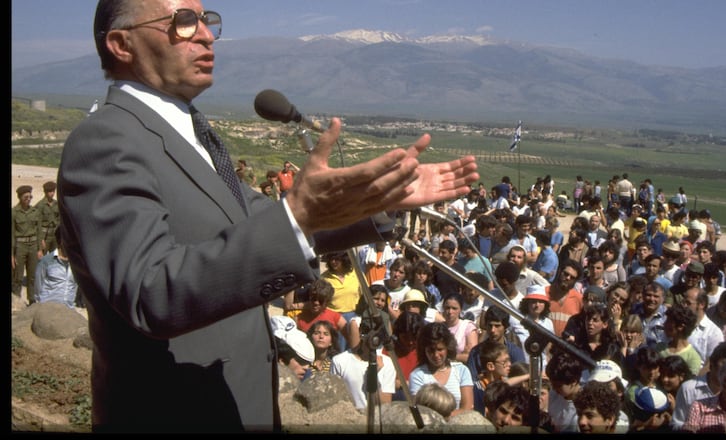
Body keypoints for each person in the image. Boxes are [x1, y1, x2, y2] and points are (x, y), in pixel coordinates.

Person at [59, 1, 478, 431]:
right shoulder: (107, 141)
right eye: (183, 22)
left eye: (206, 20)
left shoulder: (189, 133)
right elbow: (150, 291)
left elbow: (261, 219)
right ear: (121, 44)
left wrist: (378, 199)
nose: (205, 34)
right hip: (175, 412)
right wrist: (298, 215)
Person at [671, 341, 726, 430]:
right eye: (724, 364)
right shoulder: (689, 388)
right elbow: (676, 423)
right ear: (712, 364)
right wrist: (688, 427)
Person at [409, 322, 474, 416]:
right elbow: (419, 410)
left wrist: (445, 417)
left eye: (440, 349)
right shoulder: (417, 375)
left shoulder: (462, 371)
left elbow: (467, 408)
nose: (436, 355)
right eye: (431, 350)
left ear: (447, 348)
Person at [330, 325, 397, 412]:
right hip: (349, 415)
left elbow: (385, 404)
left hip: (375, 415)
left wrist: (374, 374)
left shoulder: (387, 363)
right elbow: (335, 399)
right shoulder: (339, 361)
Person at [33, 226, 78, 308]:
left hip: (68, 309)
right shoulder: (46, 262)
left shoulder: (77, 263)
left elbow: (75, 287)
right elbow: (37, 289)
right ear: (61, 241)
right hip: (48, 309)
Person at [12, 185, 42, 305]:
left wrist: (39, 249)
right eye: (26, 197)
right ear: (20, 197)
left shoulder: (35, 212)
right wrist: (12, 254)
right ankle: (16, 300)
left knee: (32, 275)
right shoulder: (14, 213)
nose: (29, 199)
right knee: (18, 276)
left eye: (30, 197)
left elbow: (39, 231)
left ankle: (32, 299)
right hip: (20, 247)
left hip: (33, 246)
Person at [36, 180, 60, 253]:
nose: (52, 193)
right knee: (43, 256)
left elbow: (59, 219)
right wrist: (41, 239)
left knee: (55, 256)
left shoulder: (56, 204)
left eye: (53, 191)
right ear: (45, 192)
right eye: (50, 191)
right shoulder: (40, 205)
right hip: (45, 235)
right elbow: (38, 224)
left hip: (55, 235)